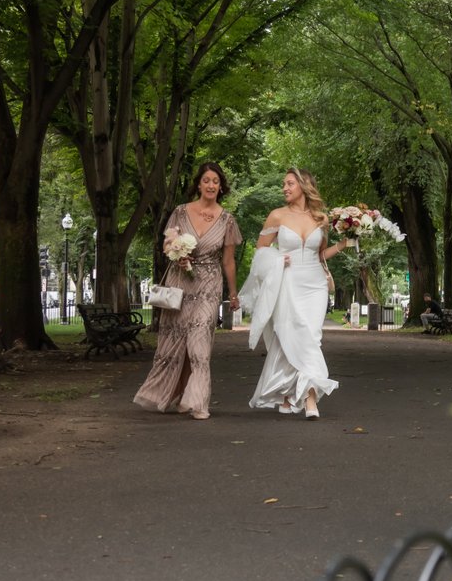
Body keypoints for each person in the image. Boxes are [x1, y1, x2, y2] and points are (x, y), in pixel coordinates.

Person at [133, 161, 243, 420]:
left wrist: (234, 294)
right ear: (198, 184)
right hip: (180, 282)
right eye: (206, 180)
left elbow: (228, 261)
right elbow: (167, 244)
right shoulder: (180, 212)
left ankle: (198, 402)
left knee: (200, 343)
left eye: (215, 181)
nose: (211, 185)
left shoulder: (227, 220)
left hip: (209, 284)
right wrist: (176, 254)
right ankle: (175, 393)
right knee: (175, 341)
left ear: (221, 186)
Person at [241, 168, 350, 420]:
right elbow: (261, 252)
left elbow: (320, 255)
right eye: (284, 184)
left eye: (289, 183)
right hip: (287, 282)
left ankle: (305, 396)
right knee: (289, 336)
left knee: (310, 336)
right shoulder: (276, 216)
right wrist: (278, 260)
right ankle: (296, 396)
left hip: (314, 285)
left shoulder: (321, 218)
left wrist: (343, 244)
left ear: (304, 185)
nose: (285, 188)